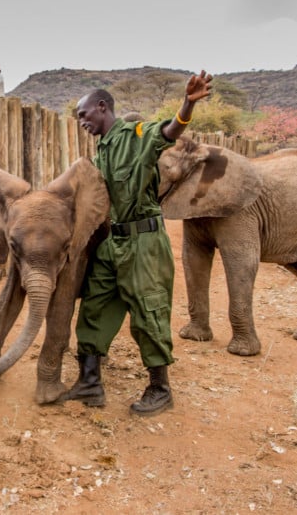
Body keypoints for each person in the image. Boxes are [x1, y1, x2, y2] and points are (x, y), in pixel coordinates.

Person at [65, 71, 213, 416]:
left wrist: (188, 103)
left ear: (102, 107)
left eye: (84, 115)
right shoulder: (100, 151)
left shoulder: (136, 135)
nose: (81, 122)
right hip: (111, 244)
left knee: (148, 313)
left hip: (143, 243)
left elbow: (169, 132)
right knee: (94, 308)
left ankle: (160, 388)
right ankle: (89, 383)